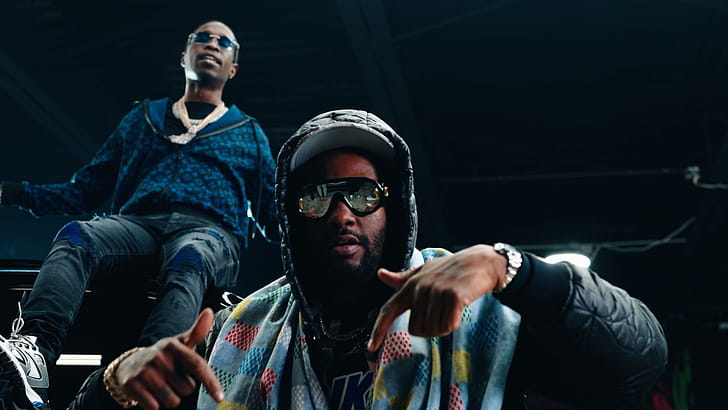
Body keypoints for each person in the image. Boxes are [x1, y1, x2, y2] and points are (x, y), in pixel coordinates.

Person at [75, 109, 667, 409]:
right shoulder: (239, 335)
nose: (341, 214)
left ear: (396, 206)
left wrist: (513, 270)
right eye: (316, 196)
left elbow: (639, 363)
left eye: (363, 194)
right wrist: (116, 383)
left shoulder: (480, 311)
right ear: (291, 218)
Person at [0, 20, 277, 410]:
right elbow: (84, 191)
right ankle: (33, 354)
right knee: (78, 235)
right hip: (138, 225)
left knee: (189, 259)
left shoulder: (248, 132)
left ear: (233, 68)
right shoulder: (143, 118)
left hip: (209, 231)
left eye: (224, 42)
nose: (212, 44)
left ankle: (148, 372)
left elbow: (272, 215)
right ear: (184, 56)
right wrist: (10, 192)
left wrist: (319, 220)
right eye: (202, 38)